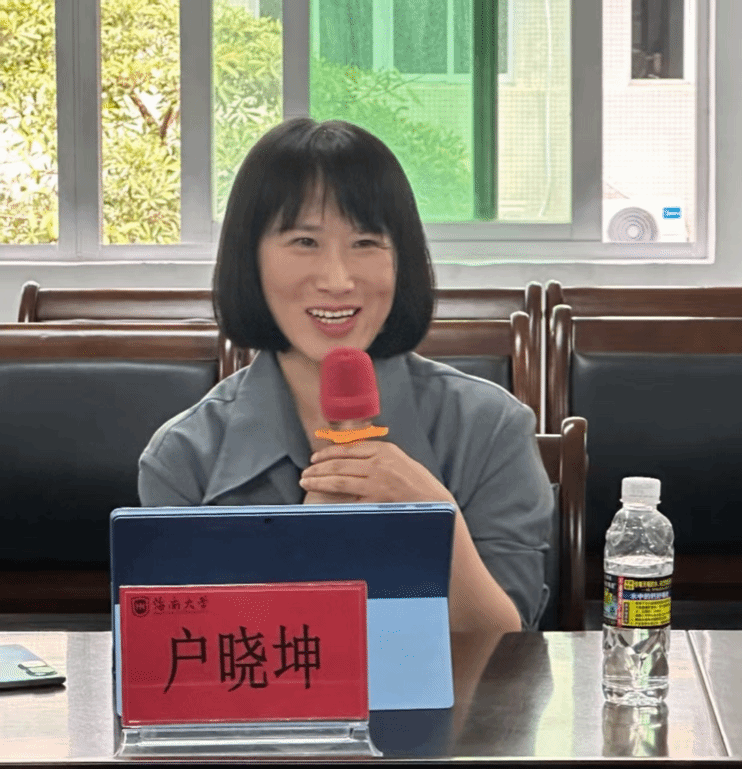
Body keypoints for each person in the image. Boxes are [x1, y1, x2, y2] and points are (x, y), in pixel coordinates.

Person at [138, 117, 554, 633]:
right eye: (304, 241)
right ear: (250, 259)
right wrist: (309, 544)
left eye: (366, 242)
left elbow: (512, 649)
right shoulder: (183, 456)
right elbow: (187, 651)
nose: (337, 280)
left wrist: (435, 519)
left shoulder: (490, 428)